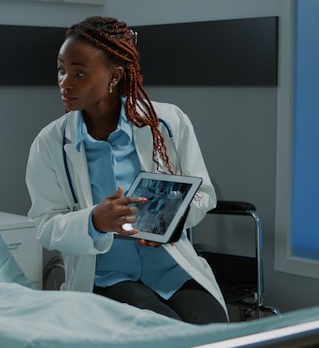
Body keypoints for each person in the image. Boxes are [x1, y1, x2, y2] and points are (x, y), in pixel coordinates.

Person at [25, 16, 228, 324]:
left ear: (114, 76)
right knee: (163, 333)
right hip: (107, 276)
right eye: (61, 69)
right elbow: (44, 225)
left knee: (213, 332)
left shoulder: (168, 123)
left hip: (172, 267)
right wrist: (95, 221)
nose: (65, 82)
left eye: (79, 72)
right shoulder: (50, 143)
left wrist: (171, 219)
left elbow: (203, 194)